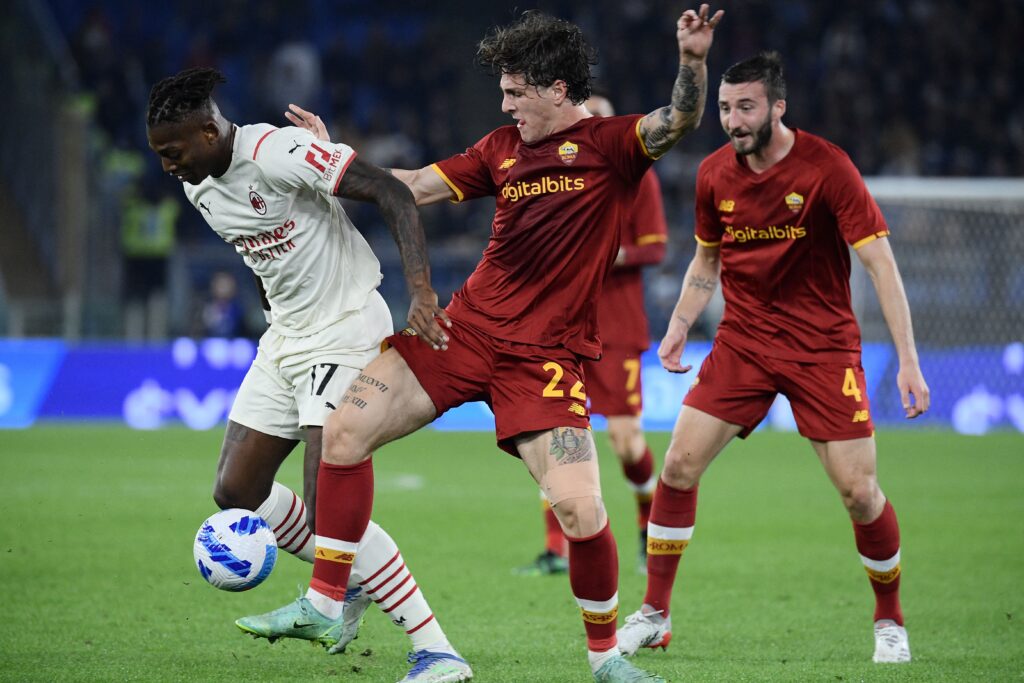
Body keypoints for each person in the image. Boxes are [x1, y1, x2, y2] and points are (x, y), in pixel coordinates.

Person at [258, 7, 724, 682]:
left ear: (557, 90)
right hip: (463, 331)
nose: (505, 106)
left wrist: (693, 61)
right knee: (344, 430)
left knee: (581, 510)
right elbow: (414, 185)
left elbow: (678, 118)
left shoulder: (611, 143)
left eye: (515, 93)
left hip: (545, 359)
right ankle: (326, 601)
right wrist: (333, 159)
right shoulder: (500, 149)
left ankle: (605, 658)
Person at [145, 67, 473, 683]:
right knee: (236, 490)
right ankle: (351, 577)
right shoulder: (199, 188)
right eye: (160, 154)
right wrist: (273, 317)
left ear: (210, 131)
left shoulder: (277, 151)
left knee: (331, 509)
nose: (167, 165)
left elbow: (392, 192)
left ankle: (437, 652)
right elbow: (258, 254)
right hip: (286, 337)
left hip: (345, 324)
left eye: (174, 151)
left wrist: (422, 291)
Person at [615, 51, 930, 665]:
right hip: (745, 342)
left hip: (822, 347)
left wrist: (909, 361)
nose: (733, 120)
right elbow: (706, 261)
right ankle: (654, 614)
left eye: (746, 107)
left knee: (860, 493)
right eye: (725, 108)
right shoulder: (713, 174)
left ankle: (890, 620)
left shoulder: (827, 167)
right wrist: (678, 326)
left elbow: (880, 264)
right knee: (677, 465)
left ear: (778, 107)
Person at [516, 92, 668, 578]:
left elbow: (655, 247)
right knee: (552, 436)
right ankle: (554, 549)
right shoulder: (556, 179)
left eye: (599, 119)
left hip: (616, 327)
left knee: (625, 441)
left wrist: (604, 251)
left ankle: (647, 526)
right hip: (561, 326)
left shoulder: (638, 178)